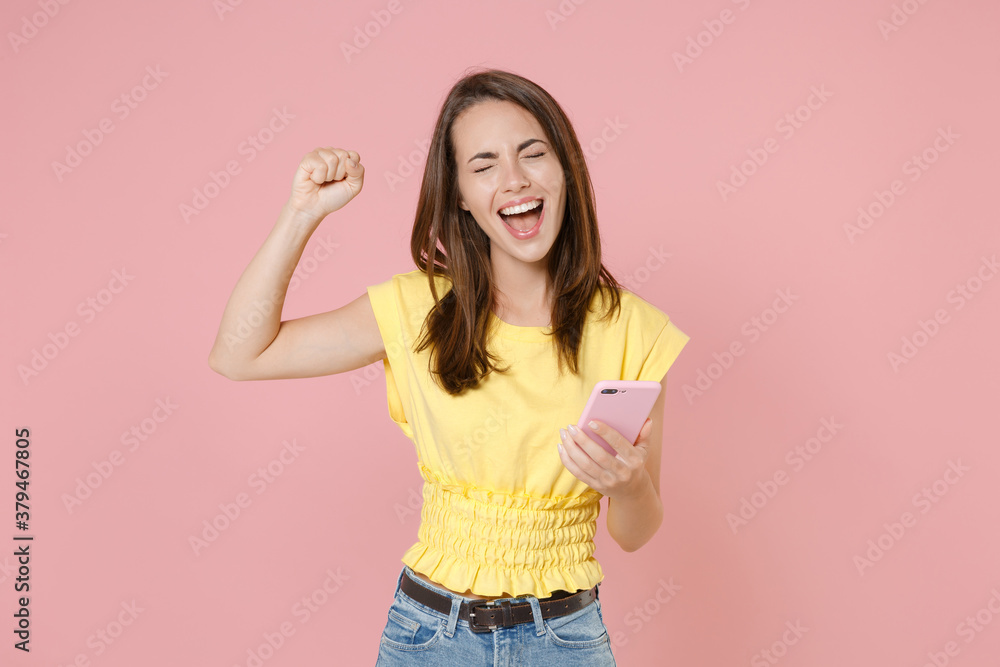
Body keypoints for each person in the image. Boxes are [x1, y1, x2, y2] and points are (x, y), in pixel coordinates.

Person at [208, 68, 689, 666]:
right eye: (483, 165)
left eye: (533, 153)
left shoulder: (635, 333)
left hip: (565, 640)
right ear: (459, 194)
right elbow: (238, 354)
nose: (514, 179)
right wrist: (302, 213)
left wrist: (629, 485)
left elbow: (635, 532)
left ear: (565, 169)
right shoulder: (417, 309)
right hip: (429, 636)